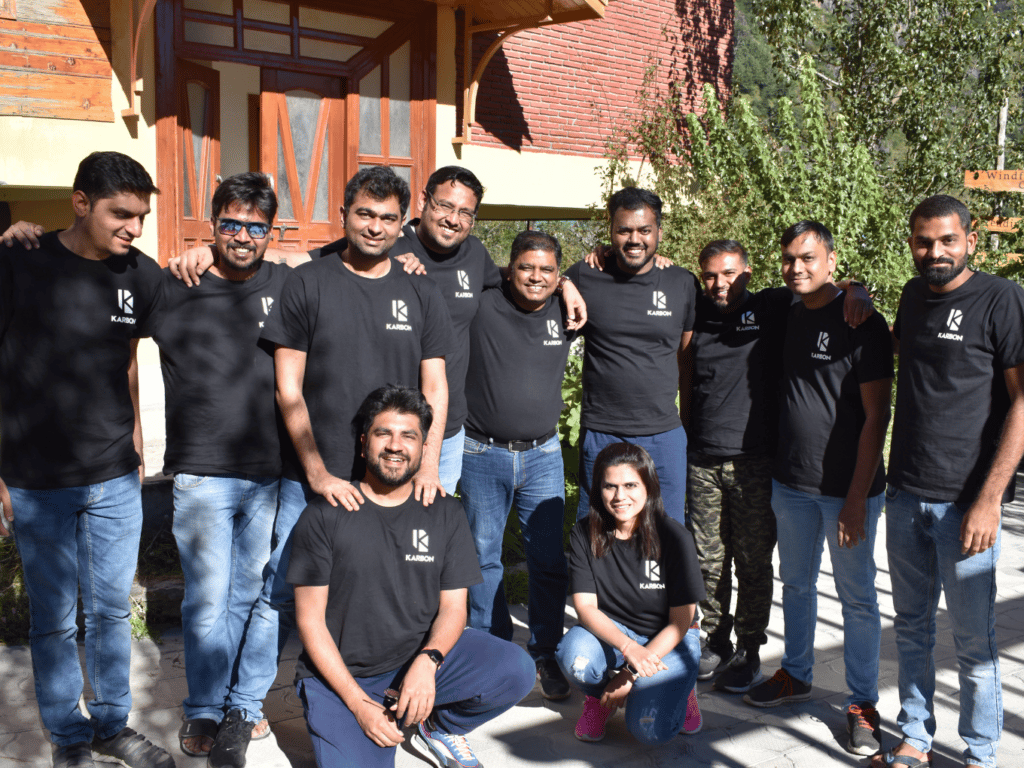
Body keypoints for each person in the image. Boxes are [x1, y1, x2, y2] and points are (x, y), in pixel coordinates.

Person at [163, 165, 586, 495]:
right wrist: (217, 250)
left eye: (465, 213)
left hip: (444, 430)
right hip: (362, 437)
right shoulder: (388, 243)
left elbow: (524, 276)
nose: (453, 219)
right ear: (423, 203)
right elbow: (299, 260)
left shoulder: (475, 257)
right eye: (444, 206)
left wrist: (564, 283)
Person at [0, 152, 173, 768]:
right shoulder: (19, 261)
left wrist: (137, 441)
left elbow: (127, 358)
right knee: (53, 620)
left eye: (142, 216)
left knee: (109, 612)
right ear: (80, 203)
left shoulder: (140, 275)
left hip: (114, 477)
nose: (135, 228)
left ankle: (110, 726)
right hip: (36, 480)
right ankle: (68, 738)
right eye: (121, 214)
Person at [258, 165, 454, 699]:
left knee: (392, 589)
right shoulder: (308, 283)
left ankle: (393, 692)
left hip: (392, 481)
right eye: (365, 214)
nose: (375, 227)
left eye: (388, 218)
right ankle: (247, 705)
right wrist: (317, 473)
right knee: (282, 589)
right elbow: (288, 389)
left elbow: (435, 388)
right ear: (343, 214)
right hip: (314, 478)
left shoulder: (420, 291)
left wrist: (428, 466)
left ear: (402, 224)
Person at [287, 385, 535, 768]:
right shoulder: (325, 515)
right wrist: (359, 704)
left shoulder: (444, 512)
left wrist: (428, 662)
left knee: (515, 670)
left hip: (414, 660)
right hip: (343, 679)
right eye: (383, 433)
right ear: (363, 443)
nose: (395, 445)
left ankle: (438, 726)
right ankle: (359, 718)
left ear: (423, 447)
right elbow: (310, 622)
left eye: (408, 436)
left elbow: (454, 608)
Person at [684, 240, 875, 692]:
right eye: (710, 275)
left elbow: (820, 285)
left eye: (729, 273)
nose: (720, 283)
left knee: (752, 561)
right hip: (703, 459)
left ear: (748, 273)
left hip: (755, 460)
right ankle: (715, 640)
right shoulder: (697, 310)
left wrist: (858, 287)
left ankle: (749, 648)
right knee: (707, 560)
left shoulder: (771, 304)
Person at [873, 196, 1024, 768]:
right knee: (911, 628)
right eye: (923, 241)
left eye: (947, 240)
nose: (934, 251)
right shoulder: (913, 296)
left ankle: (980, 753)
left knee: (973, 641)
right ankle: (915, 737)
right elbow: (907, 348)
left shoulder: (1002, 299)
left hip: (966, 504)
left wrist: (990, 500)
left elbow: (1022, 401)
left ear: (970, 241)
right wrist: (852, 296)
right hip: (905, 494)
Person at [146, 173, 288, 766]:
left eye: (256, 227)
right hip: (202, 473)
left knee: (251, 595)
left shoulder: (286, 283)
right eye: (230, 224)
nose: (242, 237)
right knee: (207, 600)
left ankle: (241, 706)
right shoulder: (174, 286)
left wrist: (408, 256)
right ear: (212, 225)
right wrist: (23, 235)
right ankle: (204, 705)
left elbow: (347, 254)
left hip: (269, 472)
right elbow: (99, 274)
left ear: (271, 232)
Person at [743, 221, 893, 759]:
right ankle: (796, 674)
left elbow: (878, 416)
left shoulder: (862, 321)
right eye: (789, 258)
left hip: (847, 490)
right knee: (797, 586)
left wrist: (855, 499)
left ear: (830, 260)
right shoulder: (786, 310)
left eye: (808, 257)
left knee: (857, 599)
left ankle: (863, 703)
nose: (796, 267)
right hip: (792, 483)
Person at [459, 230, 575, 700]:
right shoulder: (482, 303)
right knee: (483, 557)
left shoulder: (568, 310)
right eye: (526, 267)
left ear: (559, 275)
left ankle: (546, 650)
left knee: (548, 560)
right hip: (481, 452)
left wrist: (571, 285)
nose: (536, 277)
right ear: (510, 269)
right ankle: (492, 648)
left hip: (544, 455)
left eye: (547, 270)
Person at [556, 442, 705, 745]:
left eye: (630, 485)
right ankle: (600, 698)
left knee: (649, 731)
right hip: (616, 633)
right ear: (598, 489)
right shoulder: (584, 533)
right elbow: (585, 608)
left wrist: (629, 674)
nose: (619, 496)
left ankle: (682, 690)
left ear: (648, 486)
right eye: (609, 486)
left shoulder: (674, 537)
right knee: (575, 659)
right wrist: (629, 650)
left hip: (670, 639)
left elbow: (681, 621)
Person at [565, 187, 696, 526]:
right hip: (603, 431)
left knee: (667, 530)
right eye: (624, 230)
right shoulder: (584, 276)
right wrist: (564, 281)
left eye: (644, 230)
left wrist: (686, 426)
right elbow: (535, 281)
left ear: (659, 233)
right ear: (611, 232)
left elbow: (687, 360)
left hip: (663, 434)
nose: (634, 239)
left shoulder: (681, 283)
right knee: (597, 530)